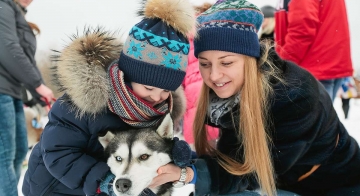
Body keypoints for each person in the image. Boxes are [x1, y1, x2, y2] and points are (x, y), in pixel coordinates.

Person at [150, 0, 360, 195]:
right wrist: (182, 160)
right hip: (286, 181)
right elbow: (232, 158)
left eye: (226, 62)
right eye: (205, 64)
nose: (213, 76)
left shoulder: (294, 98)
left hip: (334, 186)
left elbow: (252, 174)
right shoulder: (230, 98)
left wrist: (189, 173)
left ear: (249, 60)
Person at [21, 0, 195, 195]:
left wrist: (174, 152)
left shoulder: (157, 111)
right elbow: (58, 153)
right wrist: (105, 180)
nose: (157, 97)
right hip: (55, 187)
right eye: (149, 87)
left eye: (166, 91)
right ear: (129, 76)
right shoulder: (82, 103)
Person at [0, 0, 55, 195]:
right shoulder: (3, 6)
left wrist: (44, 98)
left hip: (12, 91)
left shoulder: (15, 11)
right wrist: (39, 86)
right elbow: (7, 47)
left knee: (19, 152)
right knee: (4, 156)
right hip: (1, 92)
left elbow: (28, 61)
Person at [274, 0, 353, 102]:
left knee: (311, 117)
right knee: (323, 116)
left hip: (310, 69)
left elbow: (301, 31)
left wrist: (282, 65)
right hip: (325, 63)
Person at [183, 2, 219, 150]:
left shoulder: (184, 34)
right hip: (210, 86)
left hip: (190, 92)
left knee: (197, 146)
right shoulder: (215, 29)